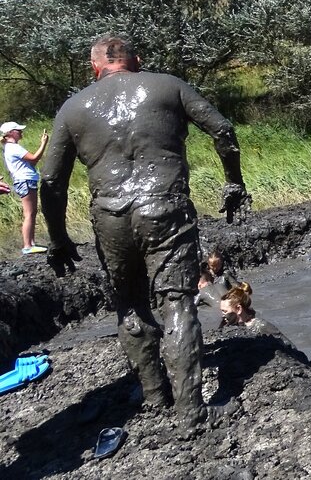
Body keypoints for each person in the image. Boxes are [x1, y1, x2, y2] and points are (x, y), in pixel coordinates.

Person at [38, 34, 250, 426]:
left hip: (110, 215)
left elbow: (51, 181)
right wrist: (233, 182)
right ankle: (192, 411)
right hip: (164, 205)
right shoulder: (167, 86)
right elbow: (222, 129)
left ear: (94, 66)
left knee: (130, 303)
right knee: (177, 303)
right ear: (137, 59)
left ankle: (155, 397)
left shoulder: (74, 107)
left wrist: (57, 237)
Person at [2, 121, 50, 255]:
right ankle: (28, 246)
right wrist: (43, 143)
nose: (21, 132)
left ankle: (31, 243)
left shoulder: (10, 147)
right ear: (10, 133)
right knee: (29, 213)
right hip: (25, 180)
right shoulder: (14, 148)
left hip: (24, 180)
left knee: (31, 213)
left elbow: (32, 161)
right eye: (18, 130)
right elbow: (35, 157)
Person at [219, 282, 291, 344]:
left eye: (225, 311)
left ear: (239, 309)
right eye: (221, 311)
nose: (222, 315)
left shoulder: (261, 326)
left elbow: (289, 345)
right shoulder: (228, 325)